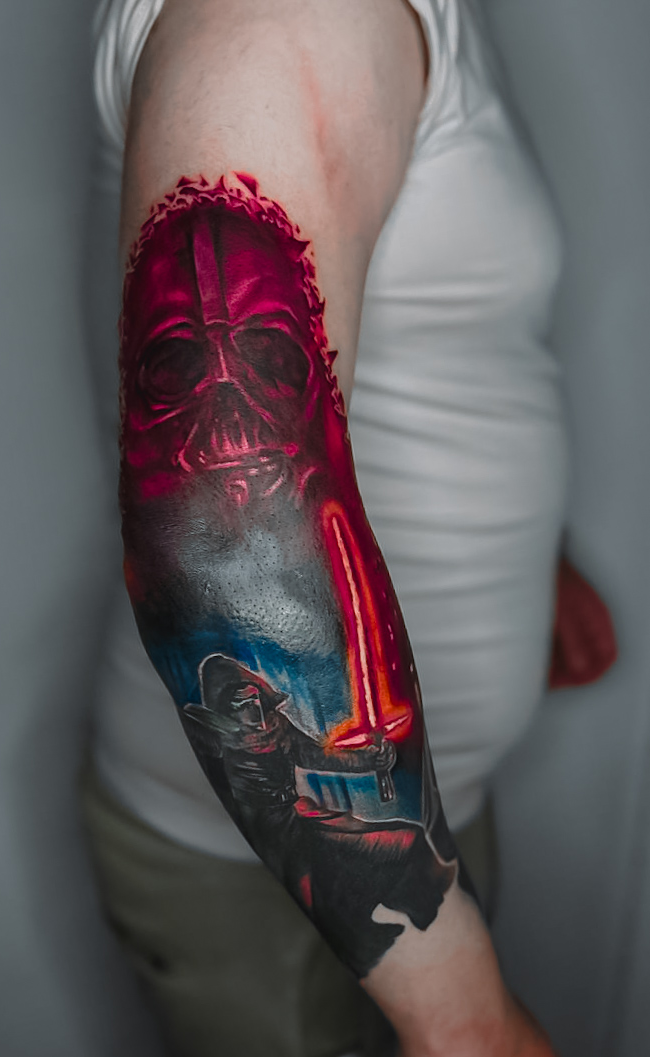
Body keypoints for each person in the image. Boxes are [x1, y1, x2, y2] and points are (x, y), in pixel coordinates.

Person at [81, 1, 615, 1054]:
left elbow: (428, 333)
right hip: (271, 878)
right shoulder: (288, 17)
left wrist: (519, 550)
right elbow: (224, 539)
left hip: (410, 829)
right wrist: (467, 1026)